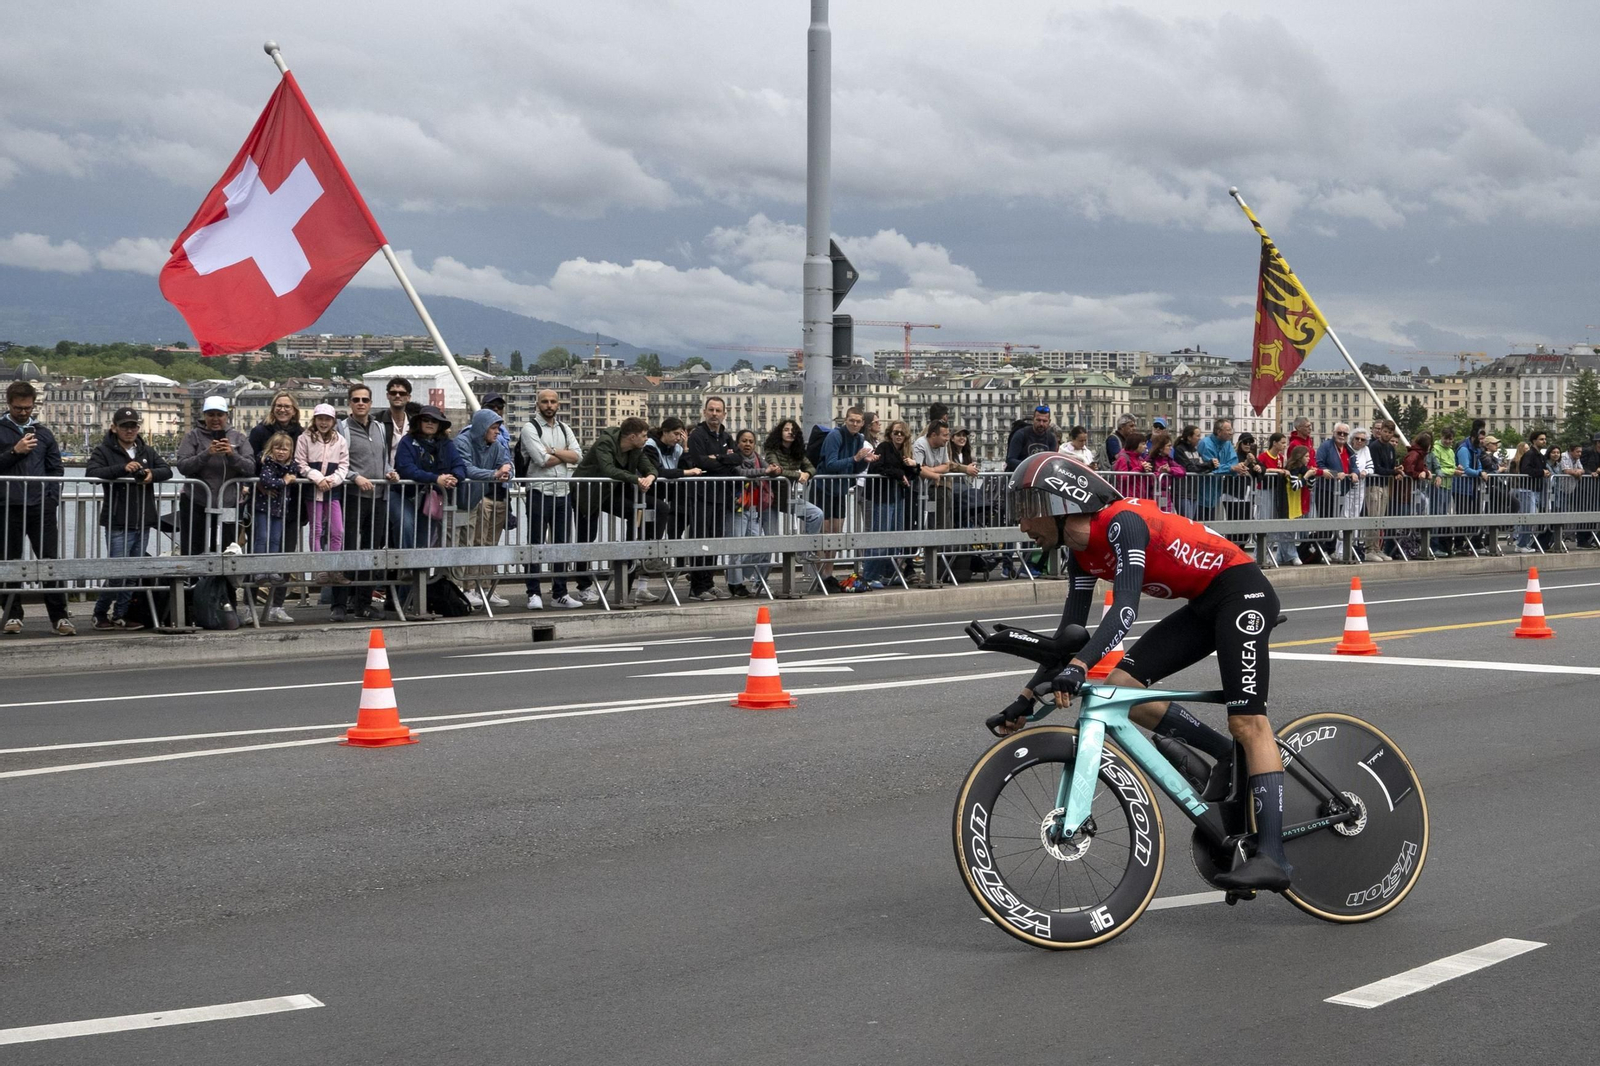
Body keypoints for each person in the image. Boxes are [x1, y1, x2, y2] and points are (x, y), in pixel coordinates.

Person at [996, 453, 1293, 891]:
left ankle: (1274, 857)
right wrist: (1024, 697)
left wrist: (1079, 668)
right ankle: (1224, 755)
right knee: (1121, 688)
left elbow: (1125, 613)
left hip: (1240, 591)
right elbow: (1069, 637)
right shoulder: (1081, 555)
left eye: (1028, 511)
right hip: (1202, 604)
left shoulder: (1122, 523)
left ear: (1061, 505)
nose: (1023, 525)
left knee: (1247, 721)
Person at [85, 407, 173, 630]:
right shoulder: (103, 450)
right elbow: (92, 474)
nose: (129, 430)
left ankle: (121, 614)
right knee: (117, 572)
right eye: (124, 426)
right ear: (114, 427)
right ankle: (100, 613)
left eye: (133, 425)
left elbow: (167, 470)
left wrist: (151, 475)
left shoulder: (146, 450)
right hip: (117, 520)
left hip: (143, 520)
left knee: (133, 573)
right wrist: (122, 469)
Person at [0, 381, 72, 635]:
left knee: (50, 562)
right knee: (9, 562)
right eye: (19, 408)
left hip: (41, 508)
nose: (23, 412)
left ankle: (60, 617)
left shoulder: (43, 434)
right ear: (9, 404)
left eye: (28, 408)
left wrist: (51, 499)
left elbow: (56, 469)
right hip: (8, 507)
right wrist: (14, 452)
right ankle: (12, 615)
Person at [572, 416, 658, 599]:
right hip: (588, 493)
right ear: (632, 437)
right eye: (643, 435)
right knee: (586, 536)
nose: (646, 439)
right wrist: (636, 479)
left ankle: (630, 553)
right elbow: (608, 470)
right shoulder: (606, 443)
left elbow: (649, 466)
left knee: (633, 510)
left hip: (610, 492)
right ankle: (583, 586)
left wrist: (650, 476)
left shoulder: (636, 449)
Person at [519, 389, 587, 610]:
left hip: (562, 492)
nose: (549, 405)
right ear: (538, 404)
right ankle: (533, 593)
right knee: (535, 544)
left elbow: (578, 456)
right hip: (539, 491)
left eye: (553, 401)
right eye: (545, 401)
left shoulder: (565, 429)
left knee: (562, 545)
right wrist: (563, 455)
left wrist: (555, 451)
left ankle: (560, 593)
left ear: (559, 404)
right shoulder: (530, 428)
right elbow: (540, 459)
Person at [333, 384, 391, 623]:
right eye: (356, 399)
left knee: (370, 552)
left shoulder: (379, 427)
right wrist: (354, 477)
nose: (360, 403)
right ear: (349, 403)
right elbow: (336, 463)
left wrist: (390, 473)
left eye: (364, 400)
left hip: (378, 498)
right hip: (352, 496)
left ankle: (363, 603)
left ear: (370, 403)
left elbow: (385, 459)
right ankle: (338, 603)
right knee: (346, 550)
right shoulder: (342, 428)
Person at [175, 395, 255, 557]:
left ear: (226, 416)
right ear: (204, 416)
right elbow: (183, 466)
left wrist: (232, 455)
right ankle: (192, 582)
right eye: (211, 415)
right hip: (196, 502)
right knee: (192, 548)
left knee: (228, 549)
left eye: (220, 415)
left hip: (229, 504)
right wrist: (207, 453)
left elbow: (251, 467)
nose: (215, 419)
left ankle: (223, 583)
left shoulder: (238, 438)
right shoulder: (192, 437)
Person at [453, 405, 514, 607]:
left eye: (498, 427)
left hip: (474, 500)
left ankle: (481, 588)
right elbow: (466, 468)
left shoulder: (495, 445)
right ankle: (464, 588)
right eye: (494, 427)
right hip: (456, 502)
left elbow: (506, 463)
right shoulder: (462, 441)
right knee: (463, 546)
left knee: (478, 544)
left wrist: (505, 472)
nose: (497, 432)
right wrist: (494, 474)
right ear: (482, 427)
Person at [684, 397, 741, 601]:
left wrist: (718, 459)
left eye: (718, 410)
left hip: (720, 495)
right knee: (701, 540)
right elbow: (700, 462)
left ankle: (709, 582)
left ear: (724, 413)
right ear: (704, 412)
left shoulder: (726, 436)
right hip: (701, 495)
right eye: (711, 410)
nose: (714, 414)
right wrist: (722, 461)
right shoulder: (697, 436)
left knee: (715, 540)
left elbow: (738, 458)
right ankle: (697, 587)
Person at [816, 408, 874, 591]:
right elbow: (830, 464)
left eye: (858, 421)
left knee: (837, 534)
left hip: (840, 490)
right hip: (823, 488)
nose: (854, 424)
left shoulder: (859, 439)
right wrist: (855, 458)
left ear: (863, 423)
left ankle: (828, 574)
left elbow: (854, 469)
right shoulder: (835, 436)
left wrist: (866, 461)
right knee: (825, 534)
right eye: (851, 421)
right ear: (845, 420)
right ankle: (820, 576)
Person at [394, 406, 465, 551]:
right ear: (419, 422)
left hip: (431, 499)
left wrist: (454, 478)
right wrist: (435, 479)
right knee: (406, 525)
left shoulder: (447, 444)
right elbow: (406, 468)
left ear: (440, 425)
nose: (430, 423)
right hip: (405, 495)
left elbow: (459, 465)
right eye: (426, 420)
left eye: (435, 421)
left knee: (425, 537)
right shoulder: (407, 441)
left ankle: (420, 572)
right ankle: (404, 568)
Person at [295, 403, 349, 583]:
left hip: (332, 491)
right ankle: (319, 569)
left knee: (337, 530)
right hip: (314, 490)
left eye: (327, 419)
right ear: (315, 420)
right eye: (320, 419)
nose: (323, 423)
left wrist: (332, 480)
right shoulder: (305, 438)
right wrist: (317, 478)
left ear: (333, 421)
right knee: (316, 529)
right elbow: (301, 463)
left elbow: (343, 465)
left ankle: (334, 567)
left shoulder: (339, 440)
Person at [861, 420, 918, 588]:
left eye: (902, 433)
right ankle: (870, 575)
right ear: (890, 434)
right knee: (881, 535)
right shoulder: (884, 448)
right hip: (884, 497)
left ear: (906, 435)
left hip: (899, 497)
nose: (899, 435)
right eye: (895, 432)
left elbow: (912, 476)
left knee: (895, 535)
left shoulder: (906, 451)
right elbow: (878, 467)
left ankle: (887, 573)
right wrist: (899, 474)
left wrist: (914, 466)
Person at [251, 432, 301, 622]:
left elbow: (298, 470)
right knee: (262, 537)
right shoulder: (267, 463)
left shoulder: (290, 465)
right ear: (271, 449)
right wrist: (285, 481)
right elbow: (267, 481)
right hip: (264, 508)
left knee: (275, 540)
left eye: (285, 448)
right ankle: (259, 569)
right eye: (278, 448)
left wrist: (293, 474)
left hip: (280, 510)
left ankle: (272, 568)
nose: (281, 452)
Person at [725, 429, 778, 597]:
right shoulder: (733, 457)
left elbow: (770, 470)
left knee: (759, 547)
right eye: (744, 441)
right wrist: (765, 472)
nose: (747, 444)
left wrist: (775, 470)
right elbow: (742, 473)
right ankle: (735, 583)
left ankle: (737, 573)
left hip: (754, 508)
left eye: (751, 441)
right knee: (737, 547)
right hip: (737, 507)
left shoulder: (757, 458)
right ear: (738, 443)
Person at [762, 418, 824, 541]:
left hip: (788, 498)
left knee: (816, 514)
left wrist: (807, 474)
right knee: (770, 541)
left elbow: (811, 467)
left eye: (793, 430)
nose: (790, 432)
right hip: (770, 500)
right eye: (786, 430)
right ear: (779, 432)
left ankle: (804, 551)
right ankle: (747, 560)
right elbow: (776, 470)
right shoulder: (771, 451)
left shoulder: (797, 452)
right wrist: (798, 475)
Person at [913, 420, 963, 532]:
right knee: (929, 522)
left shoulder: (943, 444)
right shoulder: (920, 444)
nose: (947, 438)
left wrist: (931, 471)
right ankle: (928, 548)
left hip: (937, 488)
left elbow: (946, 466)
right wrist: (935, 476)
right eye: (945, 435)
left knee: (942, 522)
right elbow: (917, 468)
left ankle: (942, 548)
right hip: (921, 490)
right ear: (934, 435)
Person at [1364, 421, 1400, 560]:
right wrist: (1392, 471)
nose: (1387, 434)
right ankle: (1369, 549)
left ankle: (1377, 547)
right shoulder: (1374, 447)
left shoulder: (1391, 448)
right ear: (1381, 431)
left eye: (1390, 432)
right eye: (1385, 431)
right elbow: (1377, 468)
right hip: (1374, 485)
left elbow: (1391, 466)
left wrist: (1396, 472)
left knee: (1380, 518)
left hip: (1385, 485)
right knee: (1373, 517)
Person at [1513, 429, 1552, 553]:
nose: (1544, 441)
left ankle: (1522, 543)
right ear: (1534, 440)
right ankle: (1521, 543)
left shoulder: (1540, 455)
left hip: (1535, 489)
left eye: (1545, 439)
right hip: (1527, 489)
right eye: (1541, 439)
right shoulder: (1530, 454)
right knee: (1528, 517)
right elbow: (1525, 470)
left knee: (1531, 517)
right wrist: (1541, 472)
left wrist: (1544, 472)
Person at [1431, 427, 1460, 555]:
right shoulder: (1435, 449)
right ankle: (1433, 545)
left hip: (1448, 486)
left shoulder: (1451, 451)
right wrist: (1453, 471)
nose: (1448, 441)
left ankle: (1441, 546)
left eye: (1450, 439)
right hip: (1437, 486)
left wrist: (1456, 468)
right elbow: (1438, 468)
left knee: (1442, 517)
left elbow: (1450, 467)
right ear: (1441, 437)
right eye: (1446, 438)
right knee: (1436, 516)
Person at [1171, 424, 1209, 517]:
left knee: (1191, 520)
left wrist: (1211, 465)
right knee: (1187, 520)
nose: (1199, 438)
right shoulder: (1180, 450)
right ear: (1189, 437)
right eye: (1197, 435)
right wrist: (1209, 465)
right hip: (1182, 492)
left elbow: (1200, 464)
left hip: (1194, 491)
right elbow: (1189, 467)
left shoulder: (1195, 451)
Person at [1006, 405, 1059, 471]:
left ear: (1049, 422)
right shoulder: (1020, 434)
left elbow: (1052, 461)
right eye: (1038, 420)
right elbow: (1010, 460)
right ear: (1033, 419)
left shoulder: (1052, 438)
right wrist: (1031, 467)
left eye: (1044, 421)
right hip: (1020, 476)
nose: (1041, 424)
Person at [1111, 430, 1153, 499]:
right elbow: (1122, 478)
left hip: (1139, 498)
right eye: (1143, 444)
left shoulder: (1140, 459)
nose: (1145, 447)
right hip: (1127, 498)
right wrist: (1140, 468)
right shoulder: (1123, 458)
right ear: (1135, 444)